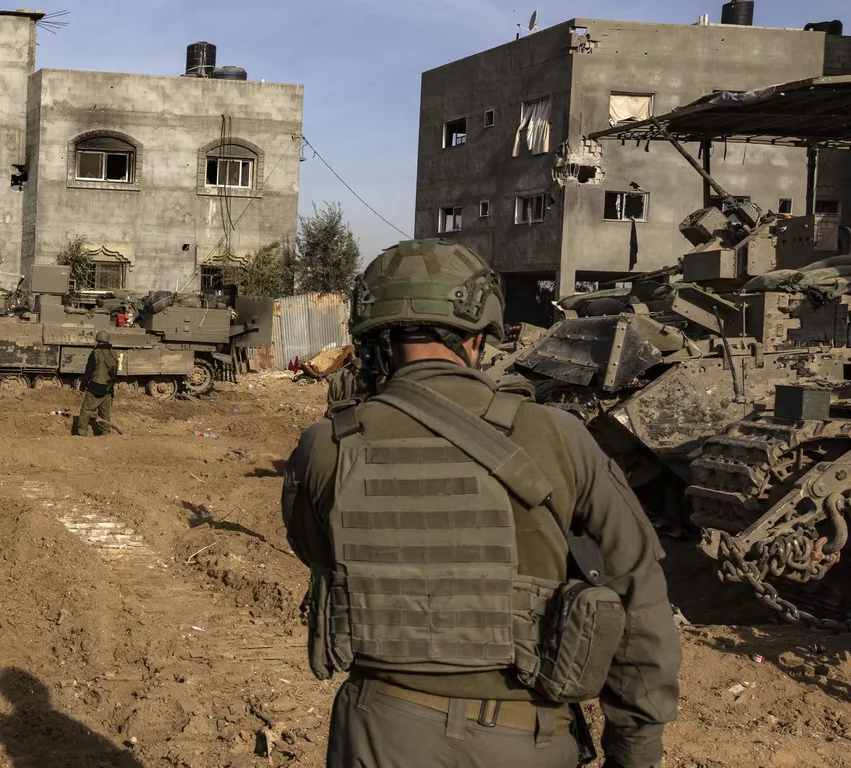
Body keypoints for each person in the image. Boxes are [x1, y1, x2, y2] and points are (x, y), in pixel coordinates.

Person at [281, 239, 679, 768]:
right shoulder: (557, 436)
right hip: (525, 737)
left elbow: (316, 551)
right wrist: (634, 749)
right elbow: (639, 596)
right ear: (478, 333)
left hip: (379, 730)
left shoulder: (327, 443)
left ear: (376, 334)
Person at [72, 331, 117, 436]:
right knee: (105, 414)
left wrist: (83, 386)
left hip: (95, 387)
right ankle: (105, 433)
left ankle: (82, 432)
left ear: (98, 340)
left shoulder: (95, 353)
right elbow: (114, 374)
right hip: (108, 389)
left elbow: (88, 372)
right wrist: (112, 390)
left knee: (86, 410)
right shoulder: (114, 354)